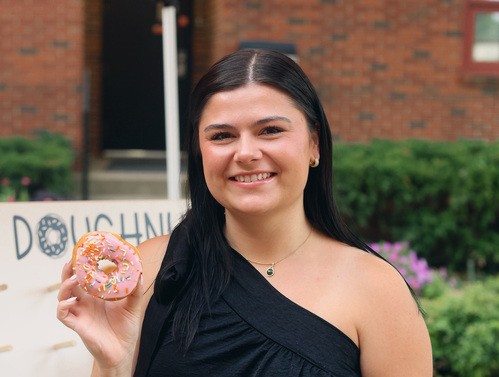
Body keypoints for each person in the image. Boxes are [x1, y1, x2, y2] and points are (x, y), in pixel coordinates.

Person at [57, 49, 433, 376]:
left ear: (314, 143)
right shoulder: (152, 269)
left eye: (270, 130)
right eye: (222, 136)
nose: (246, 153)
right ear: (200, 150)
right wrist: (113, 363)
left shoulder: (376, 290)